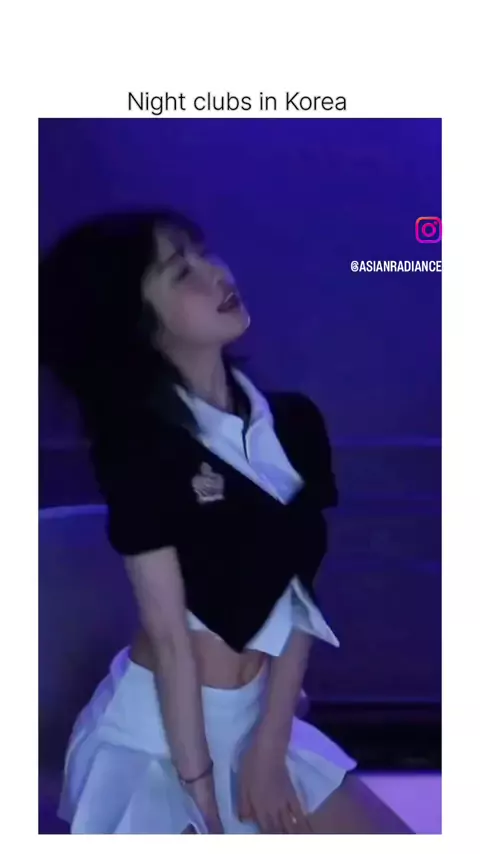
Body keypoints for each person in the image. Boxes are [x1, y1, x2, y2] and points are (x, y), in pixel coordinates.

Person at [40, 210, 413, 834]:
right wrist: (201, 789)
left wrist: (270, 745)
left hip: (260, 720)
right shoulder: (139, 450)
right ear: (139, 323)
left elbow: (301, 597)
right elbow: (170, 637)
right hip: (161, 743)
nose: (217, 274)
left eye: (206, 254)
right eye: (181, 271)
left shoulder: (294, 422)